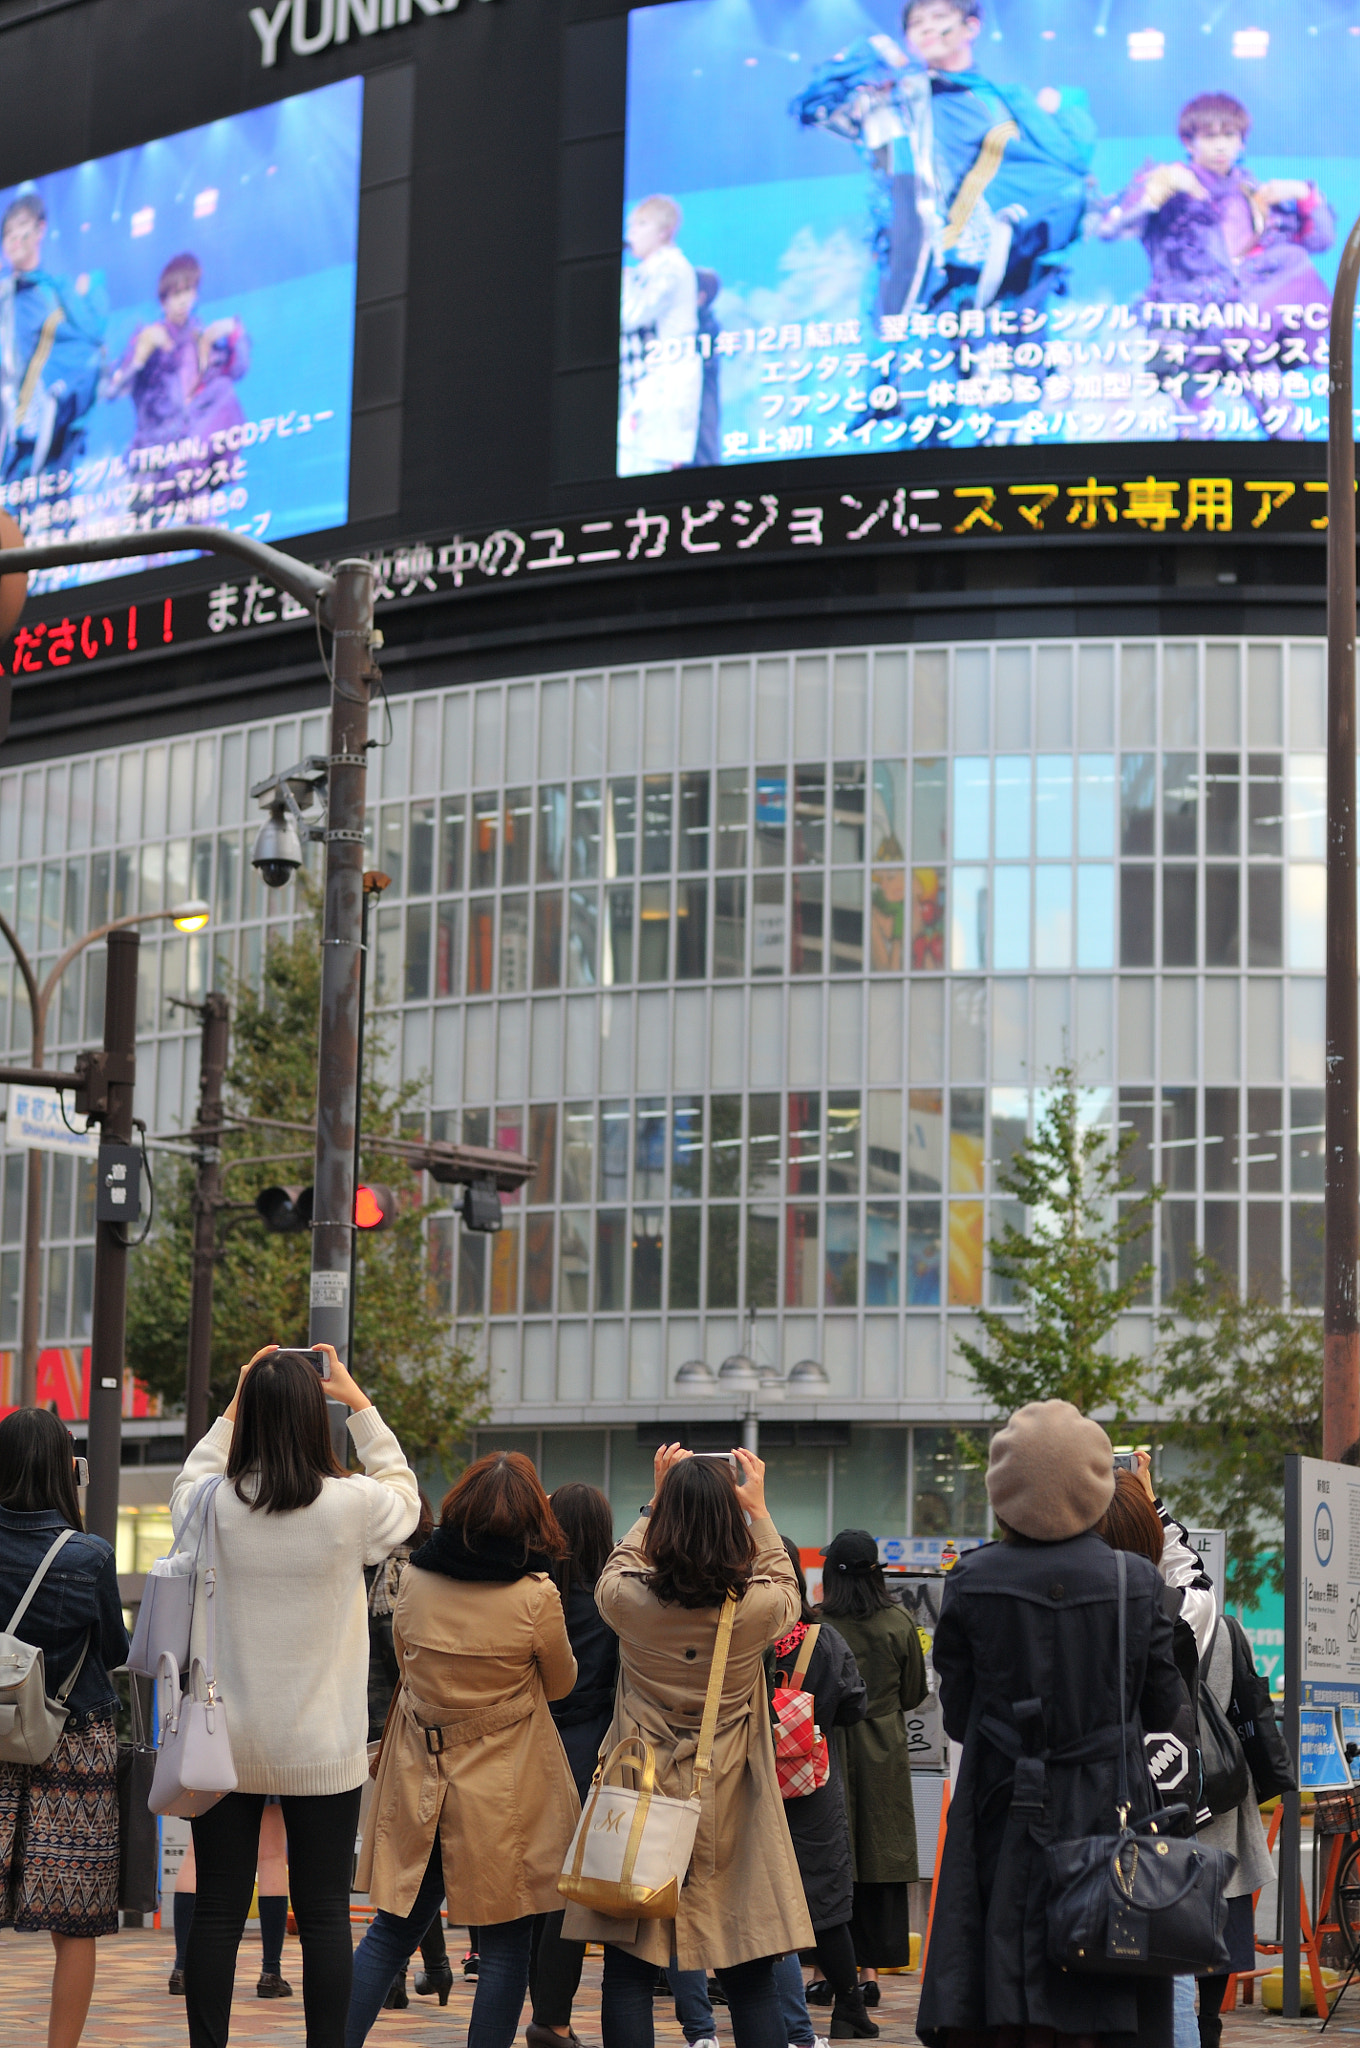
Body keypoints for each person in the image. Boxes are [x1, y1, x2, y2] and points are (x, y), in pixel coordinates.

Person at [917, 1399, 1194, 2047]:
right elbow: (1165, 1709)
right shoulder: (1135, 1582)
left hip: (1001, 1823)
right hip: (1107, 1819)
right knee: (1103, 2002)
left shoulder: (971, 1580)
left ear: (1002, 1489)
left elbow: (958, 1716)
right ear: (1095, 1485)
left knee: (1005, 2003)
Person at [169, 1342, 419, 2048]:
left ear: (248, 1417)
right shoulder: (351, 1507)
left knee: (218, 1910)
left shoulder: (215, 1506)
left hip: (225, 1745)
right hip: (324, 1745)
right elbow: (405, 1494)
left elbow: (186, 1485)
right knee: (323, 1915)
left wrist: (233, 1404)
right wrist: (359, 1404)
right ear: (317, 1417)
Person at [562, 1445, 814, 2048]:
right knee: (749, 1971)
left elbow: (615, 1568)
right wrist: (759, 1510)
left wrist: (654, 1500)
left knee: (628, 1971)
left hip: (641, 1787)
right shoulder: (756, 1608)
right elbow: (787, 1586)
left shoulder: (629, 1602)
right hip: (732, 1791)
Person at [347, 1451, 581, 2048]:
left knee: (392, 1932)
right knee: (504, 1945)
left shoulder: (417, 1579)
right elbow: (560, 1684)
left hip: (419, 1776)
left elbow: (405, 1663)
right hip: (503, 1791)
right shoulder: (536, 1596)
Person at [792, 0, 1095, 327]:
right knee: (905, 369)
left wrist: (1066, 107)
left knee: (1014, 369)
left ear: (971, 27)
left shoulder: (1003, 102)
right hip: (915, 273)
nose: (925, 28)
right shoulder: (894, 103)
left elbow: (1069, 164)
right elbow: (814, 107)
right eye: (915, 23)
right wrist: (871, 54)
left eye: (938, 17)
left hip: (1003, 275)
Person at [0, 1409, 129, 2048]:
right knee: (73, 1919)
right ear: (66, 1470)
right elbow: (110, 1648)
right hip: (72, 1738)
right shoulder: (86, 1555)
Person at [1099, 92, 1335, 440]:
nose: (1220, 146)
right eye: (1210, 136)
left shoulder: (1252, 192)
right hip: (1187, 324)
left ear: (1242, 142)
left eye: (1230, 136)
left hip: (1244, 323)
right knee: (1194, 431)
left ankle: (1305, 491)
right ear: (1189, 141)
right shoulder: (1167, 184)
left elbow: (1319, 242)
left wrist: (1306, 195)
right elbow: (1108, 228)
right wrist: (1151, 197)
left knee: (1283, 424)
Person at [768, 1536, 874, 2041]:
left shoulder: (741, 1639)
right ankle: (849, 2007)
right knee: (826, 1900)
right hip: (811, 1782)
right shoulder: (824, 1640)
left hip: (752, 1786)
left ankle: (762, 2006)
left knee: (753, 1892)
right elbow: (855, 1705)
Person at [526, 1482, 620, 2048]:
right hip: (590, 1752)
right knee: (567, 1896)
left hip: (528, 1746)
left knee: (530, 1890)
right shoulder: (613, 1602)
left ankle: (541, 2012)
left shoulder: (533, 1592)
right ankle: (553, 2019)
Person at [816, 1530, 926, 2008]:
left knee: (831, 1857)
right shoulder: (899, 1621)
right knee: (880, 1856)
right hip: (883, 1745)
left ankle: (824, 1971)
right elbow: (915, 1692)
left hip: (829, 1744)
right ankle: (870, 1970)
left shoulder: (820, 1624)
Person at [364, 1492, 453, 2009]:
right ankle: (433, 1968)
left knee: (399, 1854)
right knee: (414, 1855)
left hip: (384, 1731)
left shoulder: (382, 1575)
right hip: (418, 1729)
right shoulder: (422, 1572)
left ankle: (407, 1974)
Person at [0, 191, 107, 485]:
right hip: (8, 432)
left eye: (21, 225)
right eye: (6, 232)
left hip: (47, 429)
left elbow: (93, 337)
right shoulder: (5, 295)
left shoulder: (56, 291)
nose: (13, 237)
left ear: (40, 229)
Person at [105, 250, 249, 461]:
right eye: (175, 294)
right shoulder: (147, 336)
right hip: (156, 453)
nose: (182, 301)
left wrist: (236, 336)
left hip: (195, 451)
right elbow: (113, 391)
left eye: (188, 291)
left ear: (195, 294)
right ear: (164, 301)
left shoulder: (204, 338)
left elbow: (237, 371)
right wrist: (139, 359)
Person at [618, 194, 703, 474]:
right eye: (631, 224)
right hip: (647, 384)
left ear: (665, 230)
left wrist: (622, 280)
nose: (632, 233)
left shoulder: (669, 266)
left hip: (665, 386)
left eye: (642, 224)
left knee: (644, 470)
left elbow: (631, 315)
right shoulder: (648, 269)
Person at [168, 1809, 292, 2000]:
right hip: (267, 1780)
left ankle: (182, 1970)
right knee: (270, 1857)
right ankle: (271, 1973)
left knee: (195, 1854)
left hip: (216, 1782)